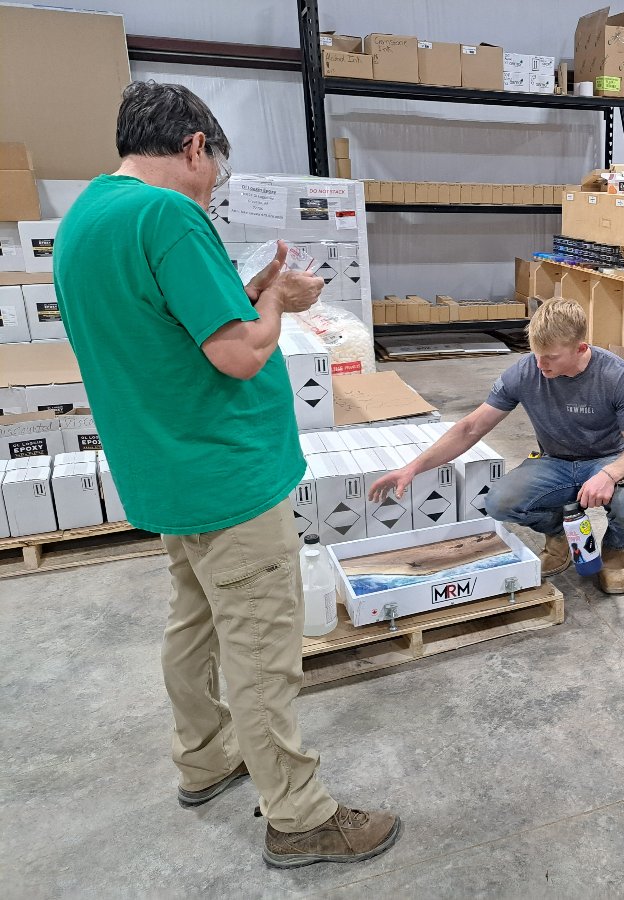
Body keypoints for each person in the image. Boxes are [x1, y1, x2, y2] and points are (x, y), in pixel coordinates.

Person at [53, 82, 400, 869]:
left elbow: (170, 326)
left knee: (195, 624)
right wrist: (281, 299)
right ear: (195, 148)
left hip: (166, 471)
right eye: (216, 171)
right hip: (226, 474)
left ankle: (204, 758)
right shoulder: (167, 214)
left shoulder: (86, 220)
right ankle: (299, 816)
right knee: (261, 647)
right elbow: (240, 352)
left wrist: (249, 297)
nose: (213, 190)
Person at [369, 298, 624, 592]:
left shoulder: (616, 376)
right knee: (500, 501)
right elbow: (471, 427)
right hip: (555, 460)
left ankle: (614, 555)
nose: (541, 365)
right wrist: (412, 468)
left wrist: (609, 474)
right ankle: (560, 537)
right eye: (536, 354)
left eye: (551, 357)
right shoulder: (525, 371)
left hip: (605, 459)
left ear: (580, 348)